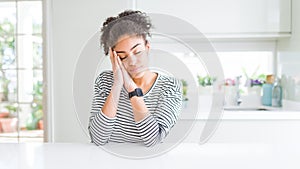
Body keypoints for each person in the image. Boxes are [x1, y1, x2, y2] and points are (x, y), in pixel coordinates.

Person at [88, 10, 183, 147]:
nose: (132, 61)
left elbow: (152, 140)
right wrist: (117, 85)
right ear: (114, 57)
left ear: (147, 47)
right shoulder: (105, 82)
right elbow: (98, 139)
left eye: (137, 52)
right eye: (122, 56)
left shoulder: (170, 87)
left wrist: (132, 89)